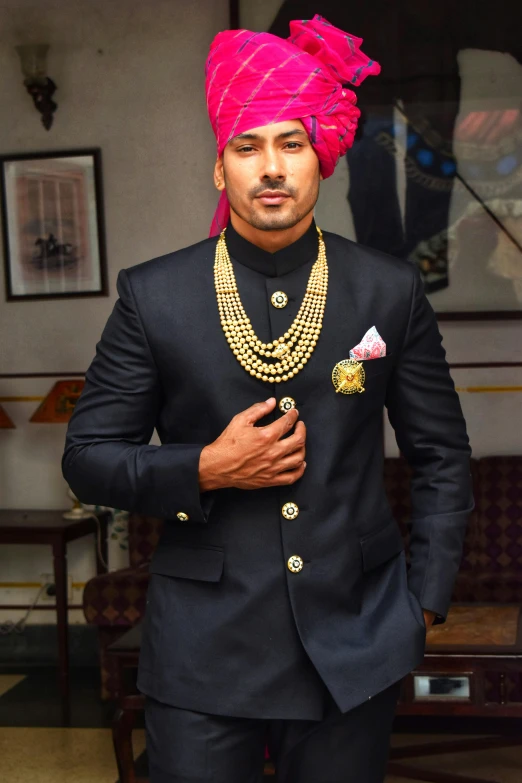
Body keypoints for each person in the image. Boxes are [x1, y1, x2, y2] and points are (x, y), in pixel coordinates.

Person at [62, 14, 474, 783]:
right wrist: (206, 468)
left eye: (290, 143)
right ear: (220, 169)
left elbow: (442, 456)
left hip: (355, 643)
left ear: (320, 156)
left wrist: (422, 602)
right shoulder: (154, 296)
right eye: (247, 147)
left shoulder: (388, 289)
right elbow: (86, 459)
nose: (271, 167)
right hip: (203, 653)